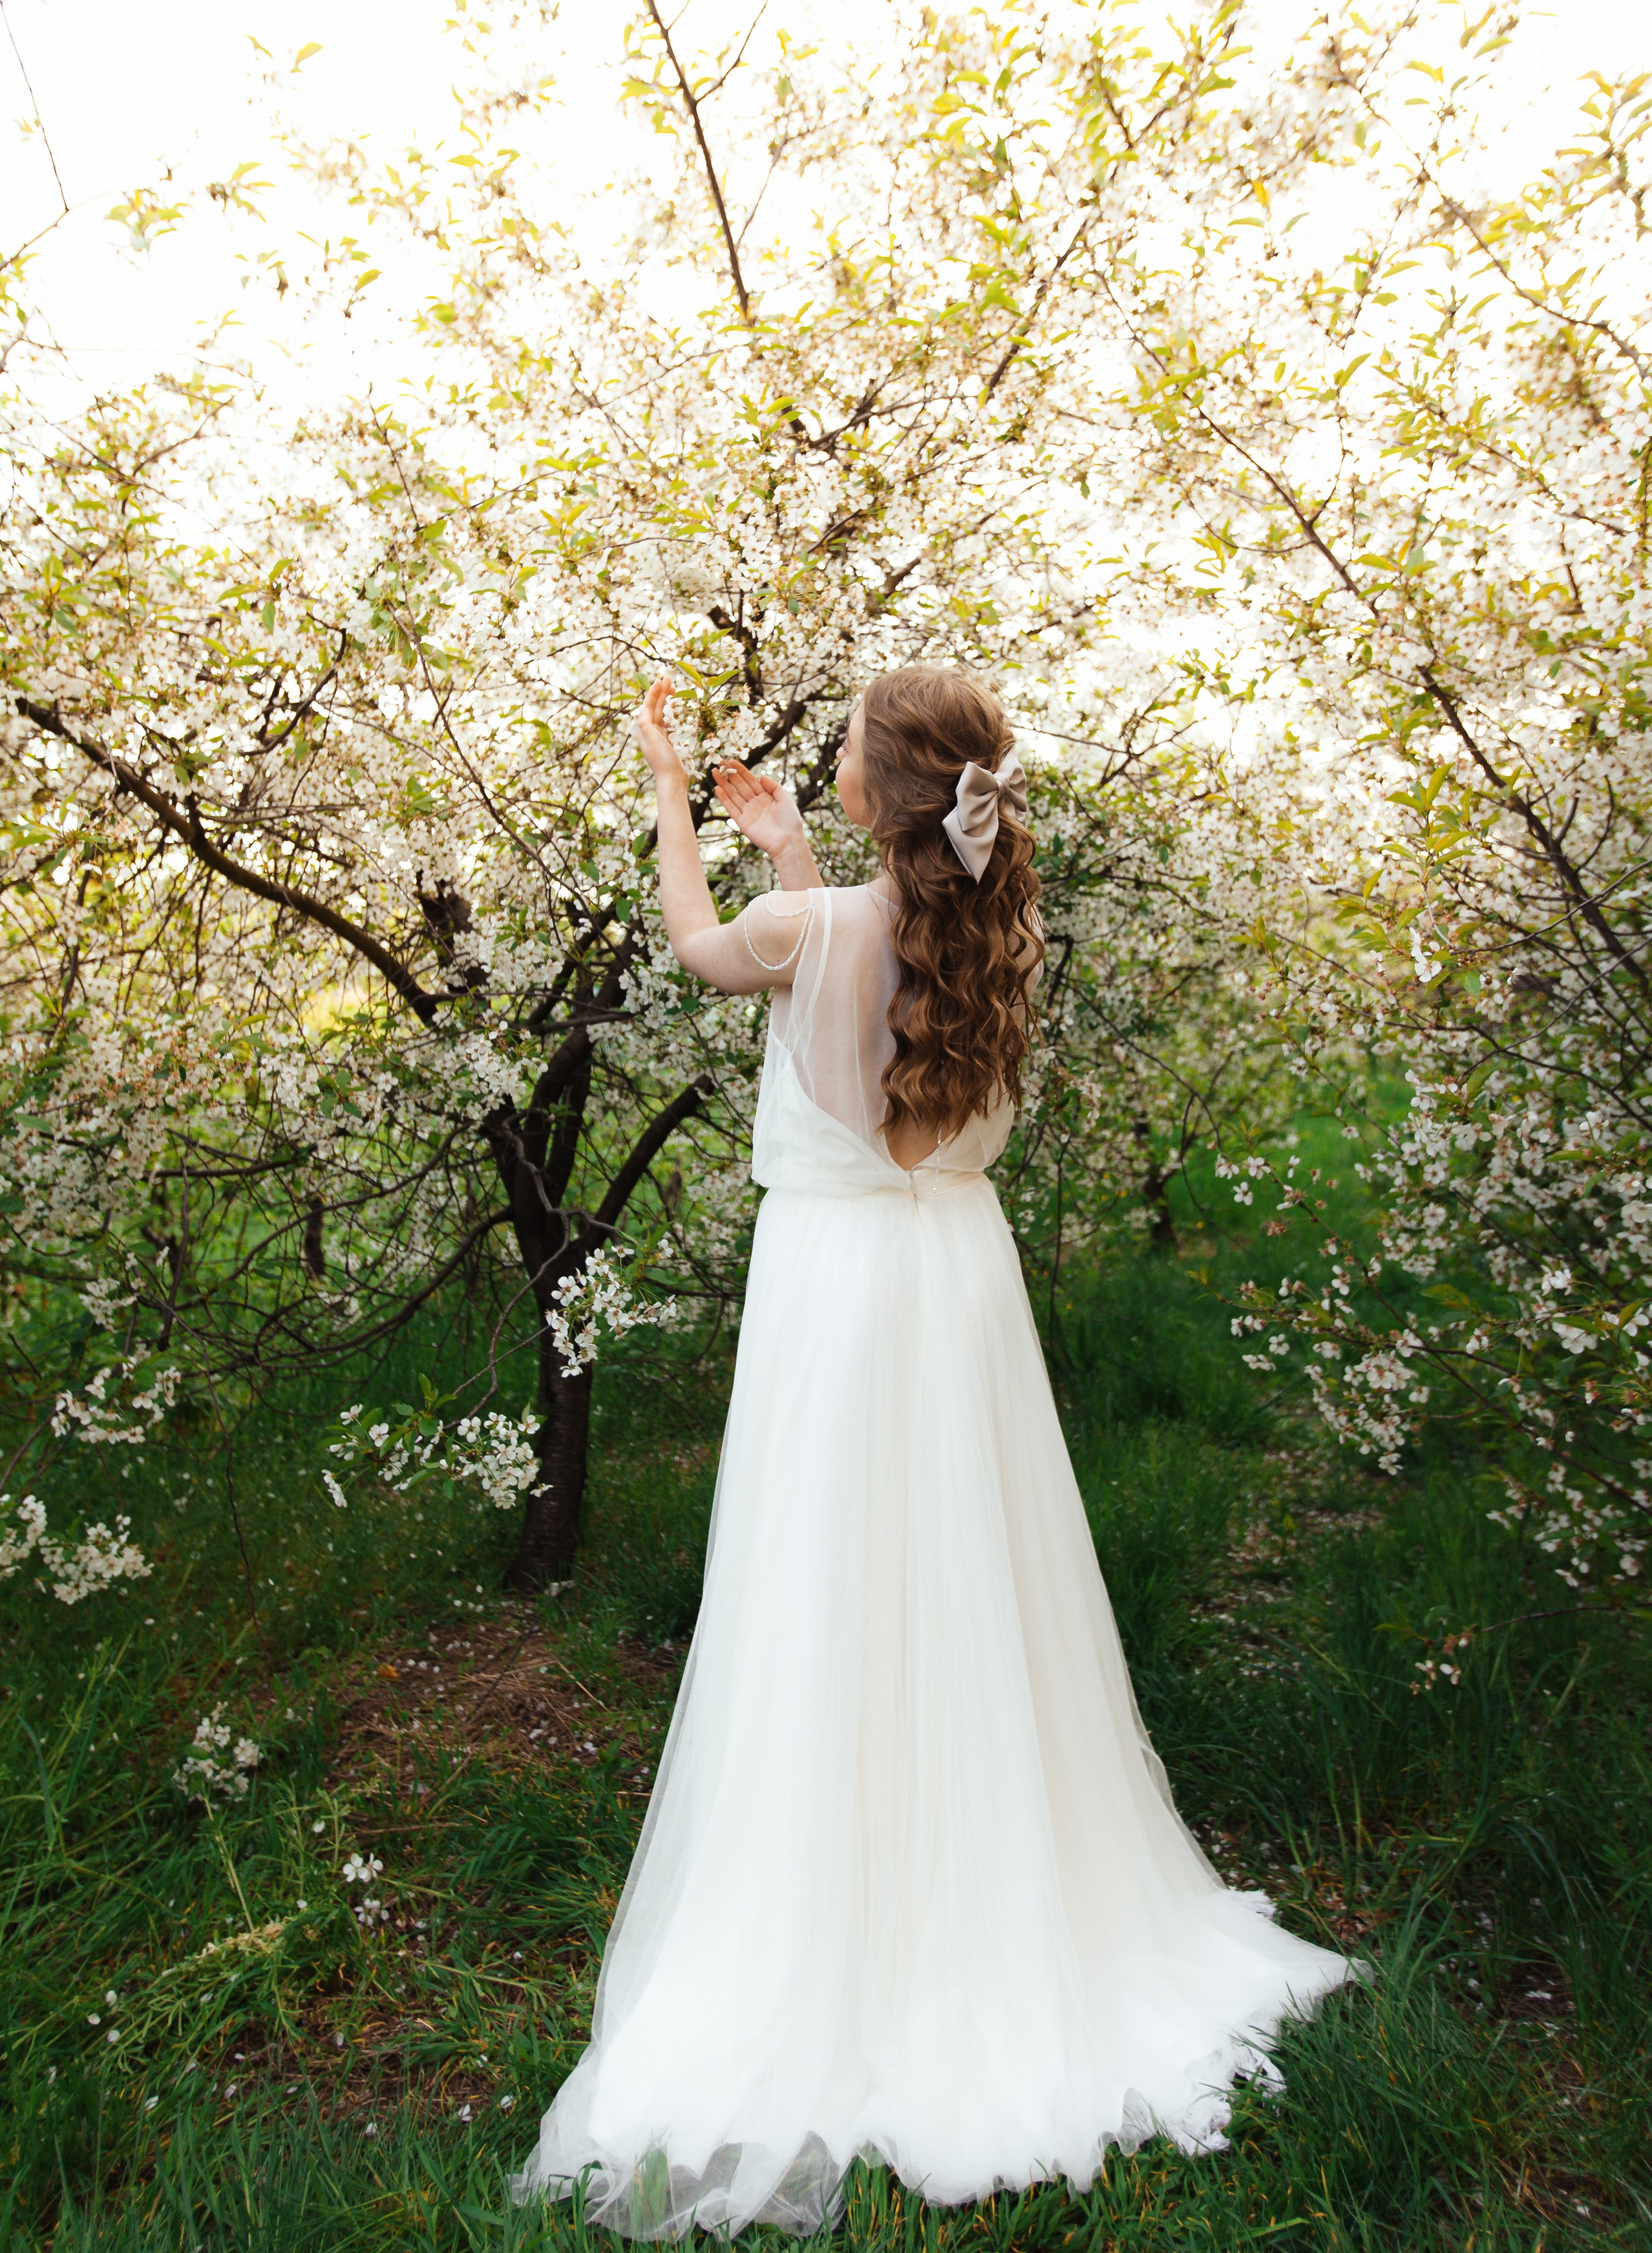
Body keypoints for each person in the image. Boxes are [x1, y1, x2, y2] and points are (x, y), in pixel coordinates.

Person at [514, 665, 1357, 2240]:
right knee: (965, 1563)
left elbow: (716, 958)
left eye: (838, 753)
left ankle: (834, 1887)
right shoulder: (987, 927)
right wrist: (790, 850)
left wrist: (672, 793)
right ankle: (993, 1862)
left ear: (877, 785)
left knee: (827, 1569)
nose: (823, 765)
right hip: (954, 1282)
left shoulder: (813, 931)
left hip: (836, 1292)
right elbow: (866, 990)